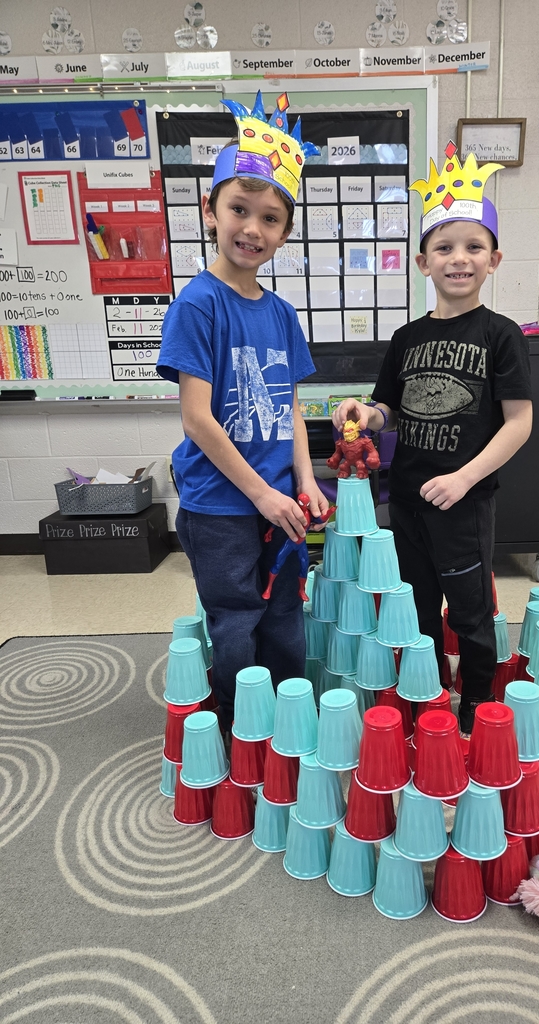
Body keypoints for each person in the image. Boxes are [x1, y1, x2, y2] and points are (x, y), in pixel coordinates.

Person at [332, 142, 533, 735]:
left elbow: (519, 422)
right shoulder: (406, 336)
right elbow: (388, 408)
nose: (458, 258)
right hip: (408, 493)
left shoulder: (502, 335)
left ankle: (474, 699)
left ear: (494, 260)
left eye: (473, 247)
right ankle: (428, 688)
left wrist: (466, 476)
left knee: (470, 606)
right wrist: (364, 415)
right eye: (444, 247)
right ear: (423, 262)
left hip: (464, 498)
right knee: (416, 600)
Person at [157, 93, 328, 743]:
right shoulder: (198, 305)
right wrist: (260, 493)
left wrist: (305, 483)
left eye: (270, 217)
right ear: (210, 210)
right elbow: (199, 419)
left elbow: (288, 408)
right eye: (238, 208)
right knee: (234, 620)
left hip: (282, 501)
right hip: (222, 505)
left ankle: (287, 726)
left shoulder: (282, 315)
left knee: (286, 617)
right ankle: (242, 731)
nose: (252, 228)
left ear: (284, 233)